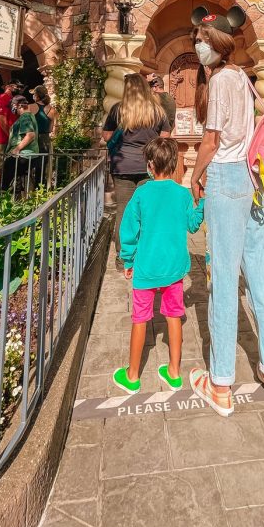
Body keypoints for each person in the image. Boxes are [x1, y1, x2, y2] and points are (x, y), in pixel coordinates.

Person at [188, 6, 264, 417]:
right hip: (253, 180)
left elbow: (212, 140)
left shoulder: (219, 83)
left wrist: (195, 175)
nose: (198, 46)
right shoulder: (245, 81)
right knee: (259, 274)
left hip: (228, 176)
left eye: (202, 40)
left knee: (224, 278)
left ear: (217, 45)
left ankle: (221, 382)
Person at [113, 138, 204, 395]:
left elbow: (128, 231)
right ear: (174, 164)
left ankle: (132, 376)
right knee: (174, 316)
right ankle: (174, 372)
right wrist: (203, 204)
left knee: (140, 318)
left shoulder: (141, 193)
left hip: (146, 268)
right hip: (174, 269)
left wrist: (128, 260)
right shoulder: (182, 194)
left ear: (150, 165)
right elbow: (193, 225)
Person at [102, 74, 171, 257]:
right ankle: (145, 253)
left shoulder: (118, 110)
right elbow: (165, 136)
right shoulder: (156, 110)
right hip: (148, 166)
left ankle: (123, 255)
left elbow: (107, 136)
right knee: (148, 209)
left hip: (122, 165)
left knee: (123, 211)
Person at [0, 79, 21, 196]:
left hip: (4, 139)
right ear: (7, 86)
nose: (17, 88)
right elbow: (1, 120)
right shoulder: (3, 98)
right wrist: (11, 136)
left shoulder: (11, 100)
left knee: (2, 169)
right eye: (15, 86)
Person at [2, 95, 39, 193]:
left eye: (12, 106)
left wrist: (17, 149)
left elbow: (30, 135)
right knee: (15, 181)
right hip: (26, 155)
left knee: (5, 182)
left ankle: (1, 202)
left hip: (22, 155)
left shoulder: (25, 116)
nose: (12, 109)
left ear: (18, 105)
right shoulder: (30, 116)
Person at [29, 84, 57, 182]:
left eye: (34, 94)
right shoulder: (51, 110)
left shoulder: (30, 107)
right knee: (41, 167)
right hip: (45, 140)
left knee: (28, 164)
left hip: (32, 139)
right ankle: (38, 189)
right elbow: (50, 129)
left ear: (36, 95)